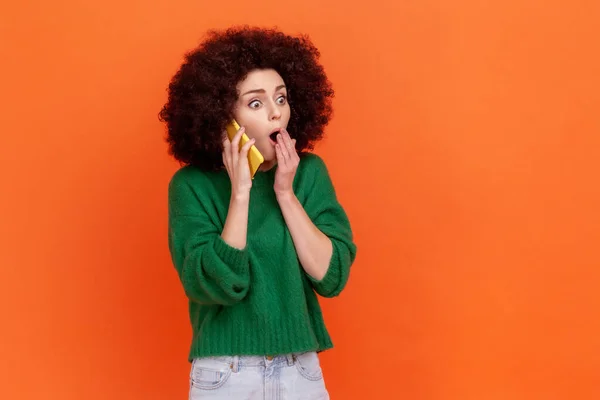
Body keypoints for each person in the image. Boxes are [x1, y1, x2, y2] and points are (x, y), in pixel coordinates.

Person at [159, 25, 357, 400]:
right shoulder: (191, 186)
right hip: (226, 375)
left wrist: (285, 193)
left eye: (281, 99)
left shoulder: (308, 173)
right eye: (256, 103)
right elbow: (220, 285)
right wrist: (241, 192)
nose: (276, 114)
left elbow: (331, 276)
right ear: (222, 117)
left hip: (300, 370)